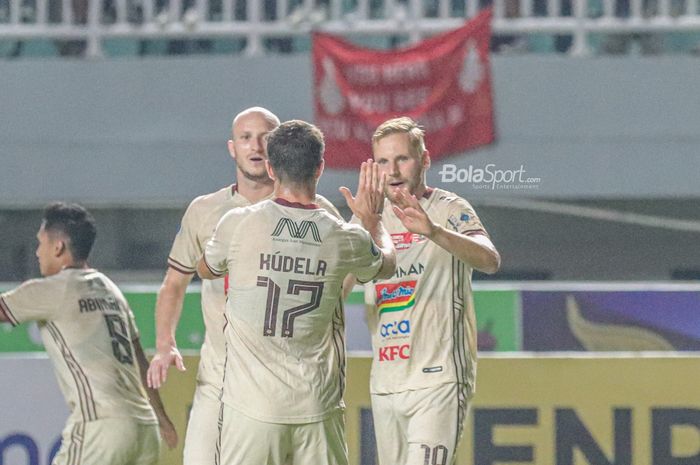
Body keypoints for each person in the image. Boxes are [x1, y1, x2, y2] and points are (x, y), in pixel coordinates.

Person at [146, 107, 343, 465]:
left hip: (299, 385)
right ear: (231, 148)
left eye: (266, 136)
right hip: (221, 381)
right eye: (245, 137)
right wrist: (164, 344)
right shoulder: (206, 211)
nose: (256, 145)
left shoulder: (319, 211)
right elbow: (174, 283)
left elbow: (342, 281)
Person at [197, 120, 396, 465]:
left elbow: (205, 268)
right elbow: (387, 265)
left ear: (271, 169)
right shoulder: (343, 235)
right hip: (317, 407)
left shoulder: (238, 222)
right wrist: (373, 223)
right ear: (320, 167)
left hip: (250, 409)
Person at [344, 116, 501, 465]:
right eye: (383, 161)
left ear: (425, 160)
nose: (393, 169)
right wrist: (365, 227)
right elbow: (337, 291)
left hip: (439, 379)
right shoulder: (369, 217)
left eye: (402, 158)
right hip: (386, 381)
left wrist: (434, 232)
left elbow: (490, 260)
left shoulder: (449, 209)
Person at [0, 202, 177, 465]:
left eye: (41, 243)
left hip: (101, 426)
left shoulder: (54, 289)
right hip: (145, 429)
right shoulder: (110, 289)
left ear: (58, 247)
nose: (37, 252)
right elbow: (141, 361)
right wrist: (162, 418)